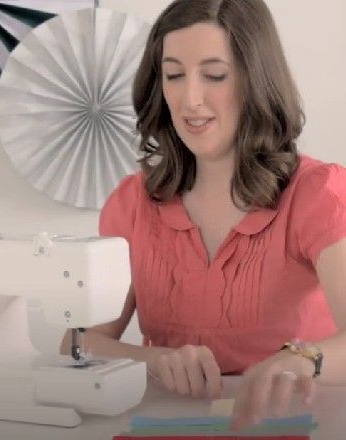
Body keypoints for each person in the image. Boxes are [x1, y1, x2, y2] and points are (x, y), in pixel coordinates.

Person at [61, 0, 346, 431]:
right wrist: (151, 360)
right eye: (173, 75)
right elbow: (78, 343)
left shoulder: (319, 193)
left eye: (215, 75)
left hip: (299, 427)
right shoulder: (131, 202)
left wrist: (303, 358)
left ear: (256, 80)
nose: (190, 99)